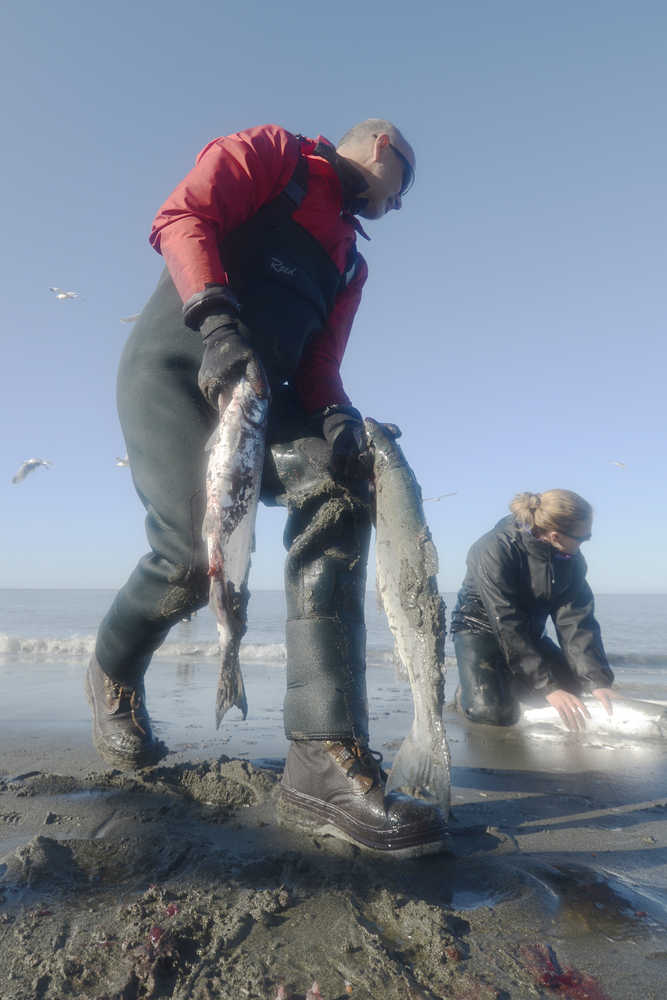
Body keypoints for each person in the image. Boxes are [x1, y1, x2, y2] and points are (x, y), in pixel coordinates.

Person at [85, 119, 448, 856]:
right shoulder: (277, 156)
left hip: (260, 398)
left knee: (341, 483)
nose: (397, 205)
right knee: (193, 562)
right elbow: (182, 215)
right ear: (381, 146)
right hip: (178, 368)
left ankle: (321, 757)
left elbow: (318, 369)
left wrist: (336, 418)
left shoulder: (350, 263)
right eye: (402, 187)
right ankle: (111, 674)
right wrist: (218, 324)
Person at [450, 489, 615, 732]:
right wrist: (545, 685)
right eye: (582, 538)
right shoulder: (494, 548)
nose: (583, 544)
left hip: (529, 633)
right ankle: (470, 689)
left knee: (575, 689)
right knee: (493, 714)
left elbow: (577, 621)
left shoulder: (572, 560)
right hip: (480, 630)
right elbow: (505, 620)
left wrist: (597, 680)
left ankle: (509, 678)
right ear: (556, 536)